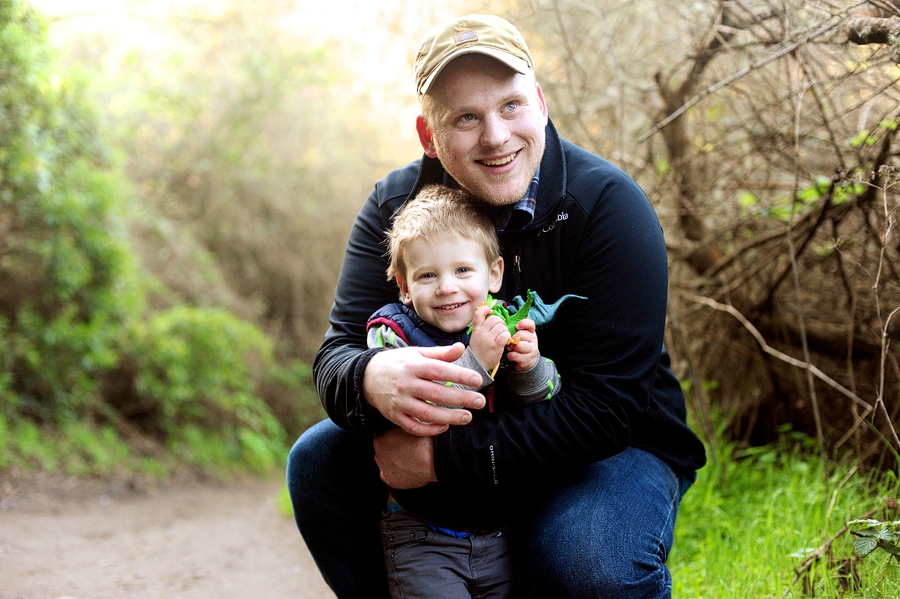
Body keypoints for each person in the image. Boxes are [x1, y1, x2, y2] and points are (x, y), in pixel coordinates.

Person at [286, 13, 706, 599]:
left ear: (540, 103)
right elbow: (334, 359)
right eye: (465, 117)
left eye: (510, 106)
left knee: (581, 564)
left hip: (608, 448)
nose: (496, 136)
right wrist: (370, 376)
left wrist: (440, 460)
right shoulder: (394, 208)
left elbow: (608, 411)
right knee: (318, 461)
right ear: (428, 136)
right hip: (468, 429)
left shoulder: (608, 208)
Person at [369, 183, 562, 598]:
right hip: (423, 533)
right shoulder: (392, 337)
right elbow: (420, 409)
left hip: (501, 532)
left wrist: (530, 367)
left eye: (462, 271)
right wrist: (476, 360)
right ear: (404, 287)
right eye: (427, 275)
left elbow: (545, 403)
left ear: (493, 274)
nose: (446, 287)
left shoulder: (501, 326)